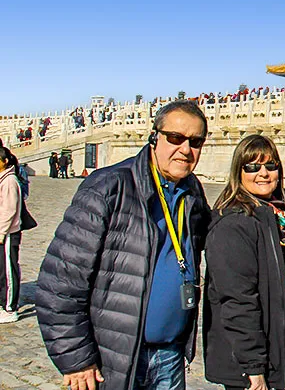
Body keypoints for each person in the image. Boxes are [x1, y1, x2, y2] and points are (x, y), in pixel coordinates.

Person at [36, 100, 212, 390]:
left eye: (195, 142)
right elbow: (59, 281)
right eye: (175, 138)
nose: (185, 149)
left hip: (170, 355)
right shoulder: (109, 187)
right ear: (154, 137)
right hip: (115, 357)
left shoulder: (191, 191)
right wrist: (76, 359)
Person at [203, 135, 285, 390]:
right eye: (252, 166)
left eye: (270, 165)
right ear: (238, 172)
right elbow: (238, 301)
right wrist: (253, 367)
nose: (263, 173)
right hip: (248, 359)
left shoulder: (280, 213)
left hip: (275, 342)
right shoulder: (234, 223)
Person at [0, 147, 23, 324]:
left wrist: (1, 233)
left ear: (5, 161)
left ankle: (10, 308)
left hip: (7, 233)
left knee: (8, 271)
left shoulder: (9, 181)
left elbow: (9, 210)